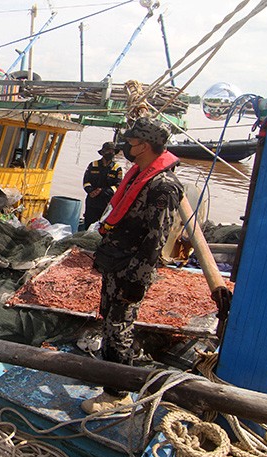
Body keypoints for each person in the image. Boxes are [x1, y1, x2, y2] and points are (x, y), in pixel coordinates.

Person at [82, 117, 184, 414]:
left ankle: (117, 394)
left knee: (119, 326)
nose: (127, 146)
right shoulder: (139, 174)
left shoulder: (163, 186)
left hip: (131, 270)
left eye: (132, 142)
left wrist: (136, 281)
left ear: (145, 145)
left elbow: (156, 239)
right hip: (116, 260)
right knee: (109, 320)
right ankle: (109, 376)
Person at [82, 142, 123, 230]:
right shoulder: (93, 165)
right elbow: (86, 182)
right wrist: (91, 191)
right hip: (92, 201)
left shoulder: (117, 168)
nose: (110, 153)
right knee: (88, 226)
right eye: (108, 151)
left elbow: (118, 186)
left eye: (112, 151)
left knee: (103, 228)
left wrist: (102, 191)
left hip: (106, 202)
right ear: (103, 152)